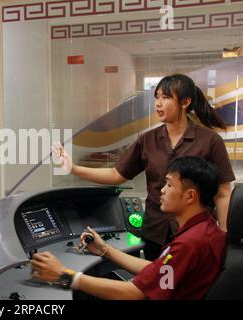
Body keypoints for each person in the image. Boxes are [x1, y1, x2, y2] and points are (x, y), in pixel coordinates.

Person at [53, 74, 235, 260]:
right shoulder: (148, 140)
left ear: (185, 102)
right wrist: (73, 168)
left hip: (196, 234)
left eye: (166, 97)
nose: (158, 103)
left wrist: (224, 235)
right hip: (155, 233)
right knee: (154, 283)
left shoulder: (209, 141)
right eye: (157, 97)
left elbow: (223, 193)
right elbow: (117, 174)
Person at [31, 156, 227, 300]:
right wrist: (105, 250)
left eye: (168, 184)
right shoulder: (205, 229)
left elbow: (135, 293)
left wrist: (65, 275)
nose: (162, 190)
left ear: (190, 196)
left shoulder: (189, 243)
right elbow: (157, 270)